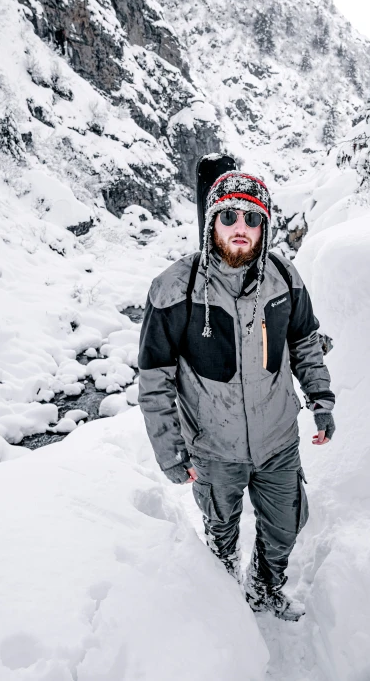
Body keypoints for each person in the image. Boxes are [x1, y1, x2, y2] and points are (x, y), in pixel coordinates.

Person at [138, 171, 335, 622]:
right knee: (221, 528)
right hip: (213, 448)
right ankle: (223, 596)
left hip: (278, 440)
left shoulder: (284, 278)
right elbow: (154, 378)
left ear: (264, 226)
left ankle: (265, 589)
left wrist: (321, 401)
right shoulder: (175, 288)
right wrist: (170, 451)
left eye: (252, 217)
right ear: (212, 223)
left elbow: (305, 343)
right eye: (228, 215)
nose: (240, 226)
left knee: (286, 526)